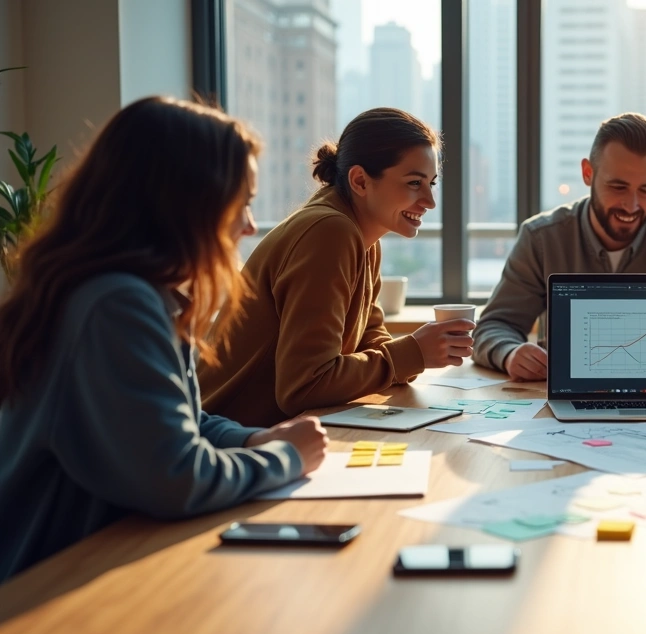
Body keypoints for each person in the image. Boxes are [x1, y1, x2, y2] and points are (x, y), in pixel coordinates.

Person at [0, 97, 328, 582]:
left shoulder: (131, 292)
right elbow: (175, 478)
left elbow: (183, 423)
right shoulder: (116, 304)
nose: (249, 226)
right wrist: (285, 456)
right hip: (47, 583)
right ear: (188, 203)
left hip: (100, 558)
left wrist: (254, 438)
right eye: (242, 204)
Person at [199, 108, 474, 427]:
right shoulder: (329, 232)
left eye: (431, 183)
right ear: (360, 180)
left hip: (274, 434)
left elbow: (370, 339)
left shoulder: (363, 238)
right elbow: (304, 386)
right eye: (414, 183)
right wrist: (412, 353)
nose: (429, 201)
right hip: (232, 440)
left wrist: (419, 353)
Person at [473, 113, 646, 380]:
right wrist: (509, 354)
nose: (631, 206)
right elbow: (492, 327)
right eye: (618, 187)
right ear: (587, 173)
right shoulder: (542, 238)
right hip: (567, 401)